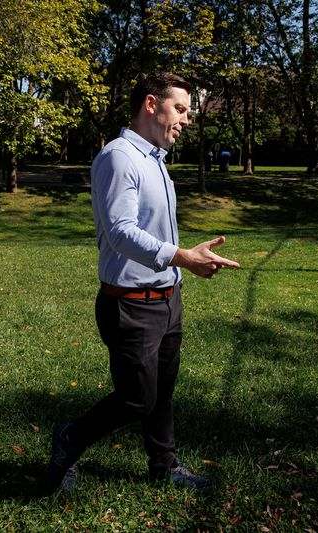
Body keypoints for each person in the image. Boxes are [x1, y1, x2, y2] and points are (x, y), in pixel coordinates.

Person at [47, 72, 240, 492]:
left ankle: (163, 467)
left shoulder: (155, 160)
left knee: (163, 392)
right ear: (151, 105)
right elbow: (119, 231)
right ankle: (69, 438)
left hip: (167, 297)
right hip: (131, 302)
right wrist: (182, 257)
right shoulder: (119, 157)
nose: (187, 119)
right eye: (181, 109)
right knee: (137, 398)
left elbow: (151, 232)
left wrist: (180, 262)